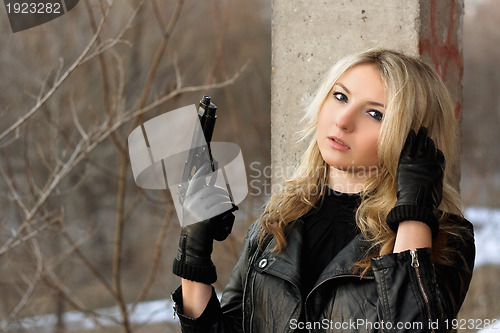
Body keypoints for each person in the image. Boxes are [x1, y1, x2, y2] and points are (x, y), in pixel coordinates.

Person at [170, 49, 475, 332]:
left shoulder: (446, 238)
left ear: (414, 141)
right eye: (340, 96)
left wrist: (414, 215)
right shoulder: (277, 221)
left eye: (375, 114)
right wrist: (193, 259)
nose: (342, 120)